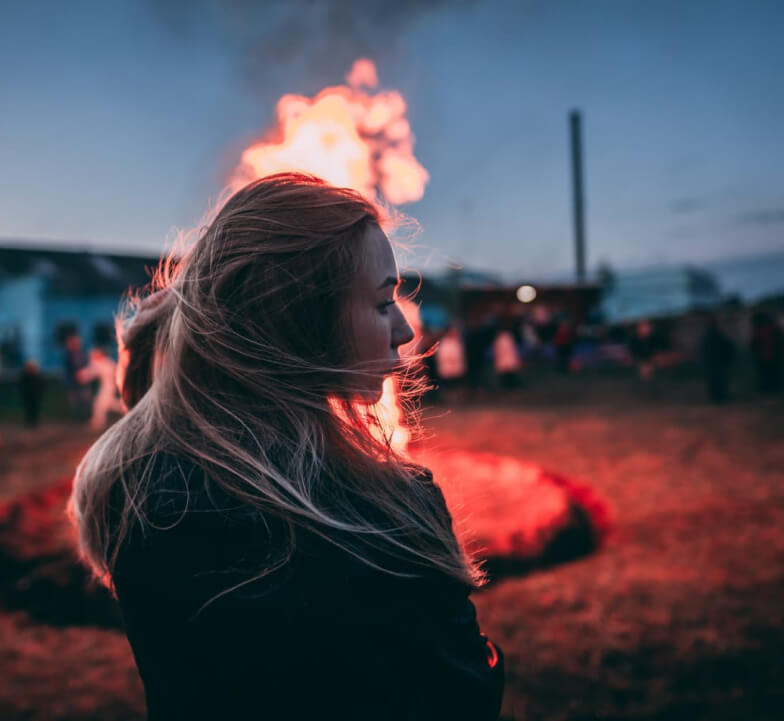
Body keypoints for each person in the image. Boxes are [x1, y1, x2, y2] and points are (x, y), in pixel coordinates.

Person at [69, 174, 504, 721]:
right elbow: (462, 700)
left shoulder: (136, 488)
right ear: (300, 323)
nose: (404, 330)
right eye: (381, 302)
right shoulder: (387, 514)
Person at [77, 346, 123, 430]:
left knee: (101, 403)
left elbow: (91, 372)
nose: (93, 357)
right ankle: (127, 409)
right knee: (109, 404)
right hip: (108, 385)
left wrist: (83, 375)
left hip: (108, 386)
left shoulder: (103, 363)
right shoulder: (107, 362)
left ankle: (98, 422)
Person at [700, 316, 735, 404]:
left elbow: (726, 347)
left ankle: (718, 397)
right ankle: (718, 397)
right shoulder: (714, 335)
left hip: (715, 363)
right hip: (715, 363)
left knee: (717, 381)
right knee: (717, 381)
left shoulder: (710, 336)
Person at [750, 311, 782, 394]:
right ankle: (772, 389)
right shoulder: (773, 328)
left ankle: (766, 390)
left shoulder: (758, 330)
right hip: (773, 356)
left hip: (763, 357)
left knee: (765, 375)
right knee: (772, 374)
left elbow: (754, 344)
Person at [62, 332, 90, 420]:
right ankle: (75, 418)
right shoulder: (68, 354)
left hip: (83, 381)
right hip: (72, 382)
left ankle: (84, 417)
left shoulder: (82, 354)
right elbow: (69, 368)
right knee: (73, 401)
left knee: (85, 399)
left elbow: (86, 366)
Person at [493, 323, 521, 389]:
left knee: (508, 374)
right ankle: (510, 385)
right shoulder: (506, 338)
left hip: (506, 359)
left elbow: (499, 350)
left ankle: (511, 385)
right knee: (507, 374)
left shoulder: (502, 338)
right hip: (506, 359)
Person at [18, 360, 44, 427]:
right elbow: (21, 386)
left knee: (35, 409)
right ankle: (29, 422)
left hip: (35, 396)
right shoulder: (24, 376)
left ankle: (34, 422)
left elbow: (41, 386)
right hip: (27, 396)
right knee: (28, 409)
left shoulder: (37, 376)